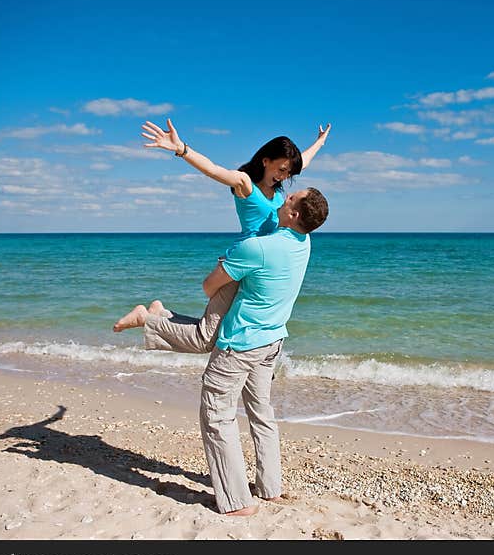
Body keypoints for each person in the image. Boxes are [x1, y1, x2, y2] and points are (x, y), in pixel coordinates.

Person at [112, 118, 331, 349]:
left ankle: (160, 314)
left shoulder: (278, 189)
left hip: (256, 266)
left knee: (212, 332)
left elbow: (302, 163)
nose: (285, 176)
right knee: (205, 339)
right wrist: (181, 149)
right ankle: (145, 318)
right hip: (240, 262)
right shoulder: (245, 183)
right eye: (281, 170)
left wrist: (320, 142)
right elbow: (213, 170)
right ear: (266, 161)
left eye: (288, 172)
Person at [190, 187, 329, 515]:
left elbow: (209, 287)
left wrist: (229, 262)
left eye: (290, 198)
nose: (284, 198)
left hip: (240, 345)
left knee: (217, 416)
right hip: (272, 343)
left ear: (294, 214)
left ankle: (238, 502)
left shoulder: (257, 248)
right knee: (261, 412)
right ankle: (270, 488)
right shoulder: (303, 243)